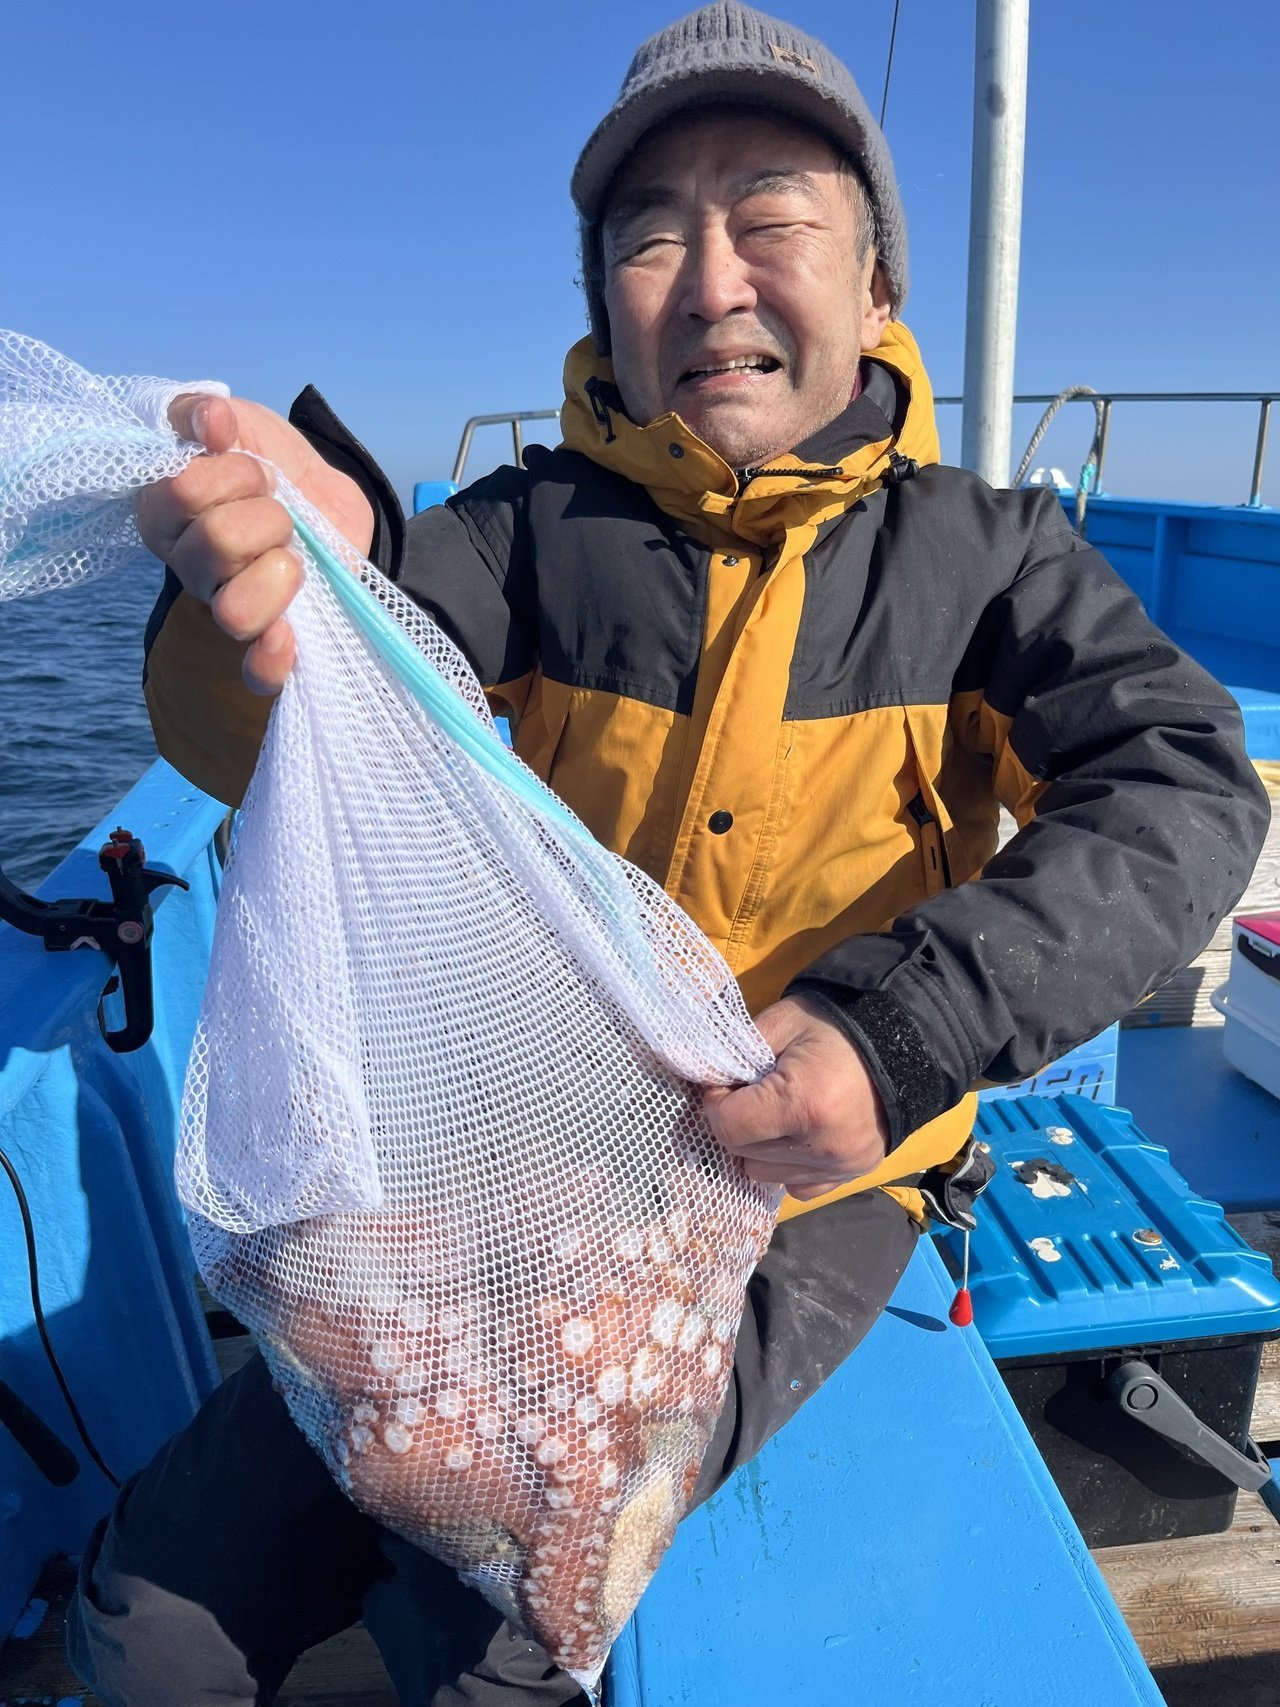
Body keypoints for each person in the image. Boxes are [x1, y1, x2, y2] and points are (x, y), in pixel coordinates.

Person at [68, 5, 1269, 1704]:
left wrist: (900, 1030)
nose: (711, 284)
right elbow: (279, 727)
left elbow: (1182, 782)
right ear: (605, 311)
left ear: (876, 286)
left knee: (513, 1605)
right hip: (508, 1162)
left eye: (771, 220)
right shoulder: (520, 537)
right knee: (154, 1610)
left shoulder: (995, 560)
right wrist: (283, 610)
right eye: (649, 239)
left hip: (818, 1185)